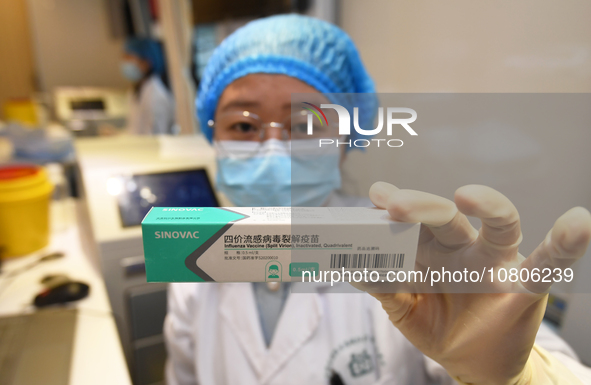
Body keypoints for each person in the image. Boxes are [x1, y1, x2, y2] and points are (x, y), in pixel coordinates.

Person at [165, 15, 591, 384]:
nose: (273, 149)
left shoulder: (403, 248)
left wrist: (516, 378)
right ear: (212, 135)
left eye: (306, 125)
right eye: (243, 126)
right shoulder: (190, 258)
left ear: (346, 141)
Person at [121, 37, 175, 135]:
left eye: (129, 58)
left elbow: (156, 135)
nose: (124, 63)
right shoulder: (137, 90)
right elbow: (135, 130)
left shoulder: (156, 95)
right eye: (124, 58)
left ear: (146, 63)